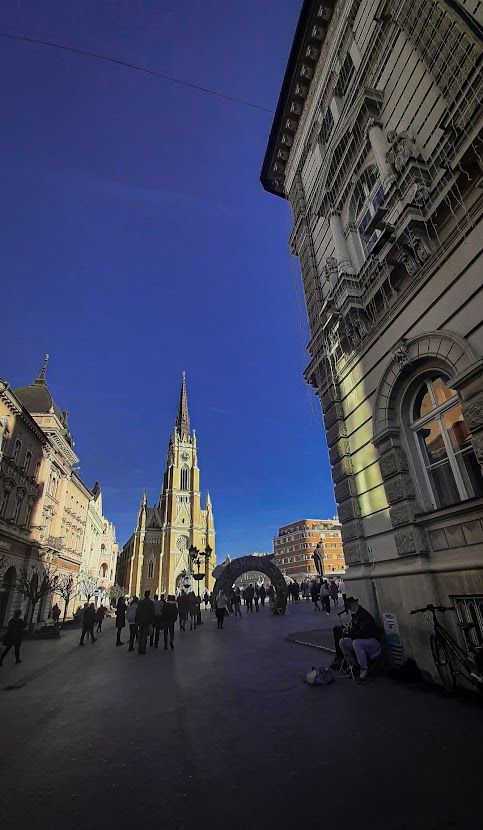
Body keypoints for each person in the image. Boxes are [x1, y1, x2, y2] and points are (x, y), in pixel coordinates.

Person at [337, 597, 382, 681]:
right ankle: (353, 665)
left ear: (354, 604)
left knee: (356, 643)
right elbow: (356, 630)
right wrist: (348, 630)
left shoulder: (364, 615)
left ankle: (364, 670)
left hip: (373, 642)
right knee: (342, 642)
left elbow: (363, 633)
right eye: (349, 608)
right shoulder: (355, 615)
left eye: (350, 607)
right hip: (363, 640)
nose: (350, 610)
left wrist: (351, 633)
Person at [135, 590, 155, 654]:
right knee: (145, 635)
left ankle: (140, 648)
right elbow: (152, 613)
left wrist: (136, 620)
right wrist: (152, 621)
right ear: (148, 595)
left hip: (140, 621)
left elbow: (137, 612)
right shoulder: (150, 603)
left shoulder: (141, 602)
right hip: (147, 621)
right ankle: (143, 649)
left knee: (141, 635)